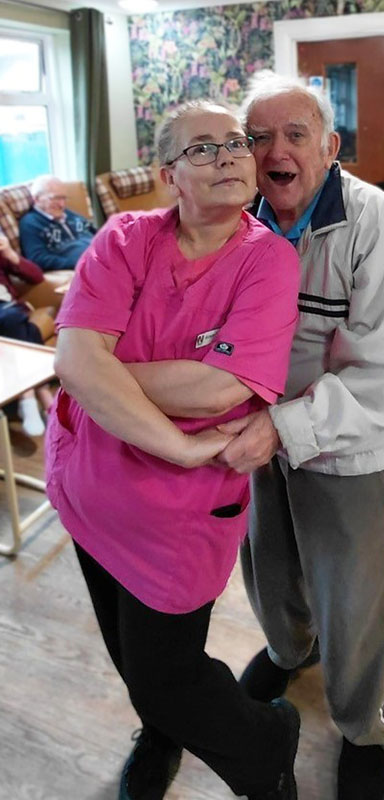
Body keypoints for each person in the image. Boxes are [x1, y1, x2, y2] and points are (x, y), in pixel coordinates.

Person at [44, 100, 302, 800]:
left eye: (234, 143)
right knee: (130, 658)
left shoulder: (267, 261)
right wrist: (177, 440)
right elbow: (77, 361)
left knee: (170, 674)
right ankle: (158, 735)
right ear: (169, 175)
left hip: (177, 514)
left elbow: (218, 389)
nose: (226, 155)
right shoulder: (126, 237)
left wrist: (98, 366)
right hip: (89, 493)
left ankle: (265, 746)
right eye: (201, 148)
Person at [224, 70, 384, 800]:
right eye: (258, 137)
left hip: (350, 448)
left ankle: (362, 725)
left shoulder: (374, 224)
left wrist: (281, 426)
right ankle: (287, 650)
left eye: (294, 134)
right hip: (260, 433)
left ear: (330, 146)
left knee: (356, 595)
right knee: (269, 563)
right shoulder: (238, 221)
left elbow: (381, 376)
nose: (275, 151)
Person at [0, 231, 54, 435]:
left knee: (19, 323)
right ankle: (42, 396)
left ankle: (28, 396)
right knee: (19, 322)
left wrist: (11, 254)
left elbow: (36, 276)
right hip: (8, 313)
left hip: (8, 308)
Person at [18, 175, 96, 270]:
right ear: (36, 199)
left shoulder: (69, 214)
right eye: (55, 198)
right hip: (88, 266)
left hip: (103, 257)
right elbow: (38, 259)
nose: (62, 204)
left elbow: (97, 233)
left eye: (63, 198)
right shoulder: (30, 223)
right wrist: (80, 263)